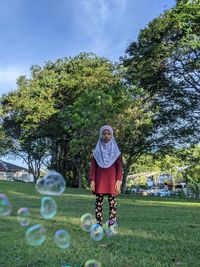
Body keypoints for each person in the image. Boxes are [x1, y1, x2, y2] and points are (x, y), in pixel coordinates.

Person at [89, 125, 123, 227]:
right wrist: (92, 180)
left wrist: (118, 181)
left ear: (112, 136)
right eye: (104, 134)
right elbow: (93, 167)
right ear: (100, 135)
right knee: (98, 204)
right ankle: (98, 225)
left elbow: (119, 168)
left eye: (109, 134)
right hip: (100, 181)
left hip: (112, 181)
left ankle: (111, 225)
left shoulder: (115, 152)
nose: (106, 136)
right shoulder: (97, 152)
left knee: (112, 204)